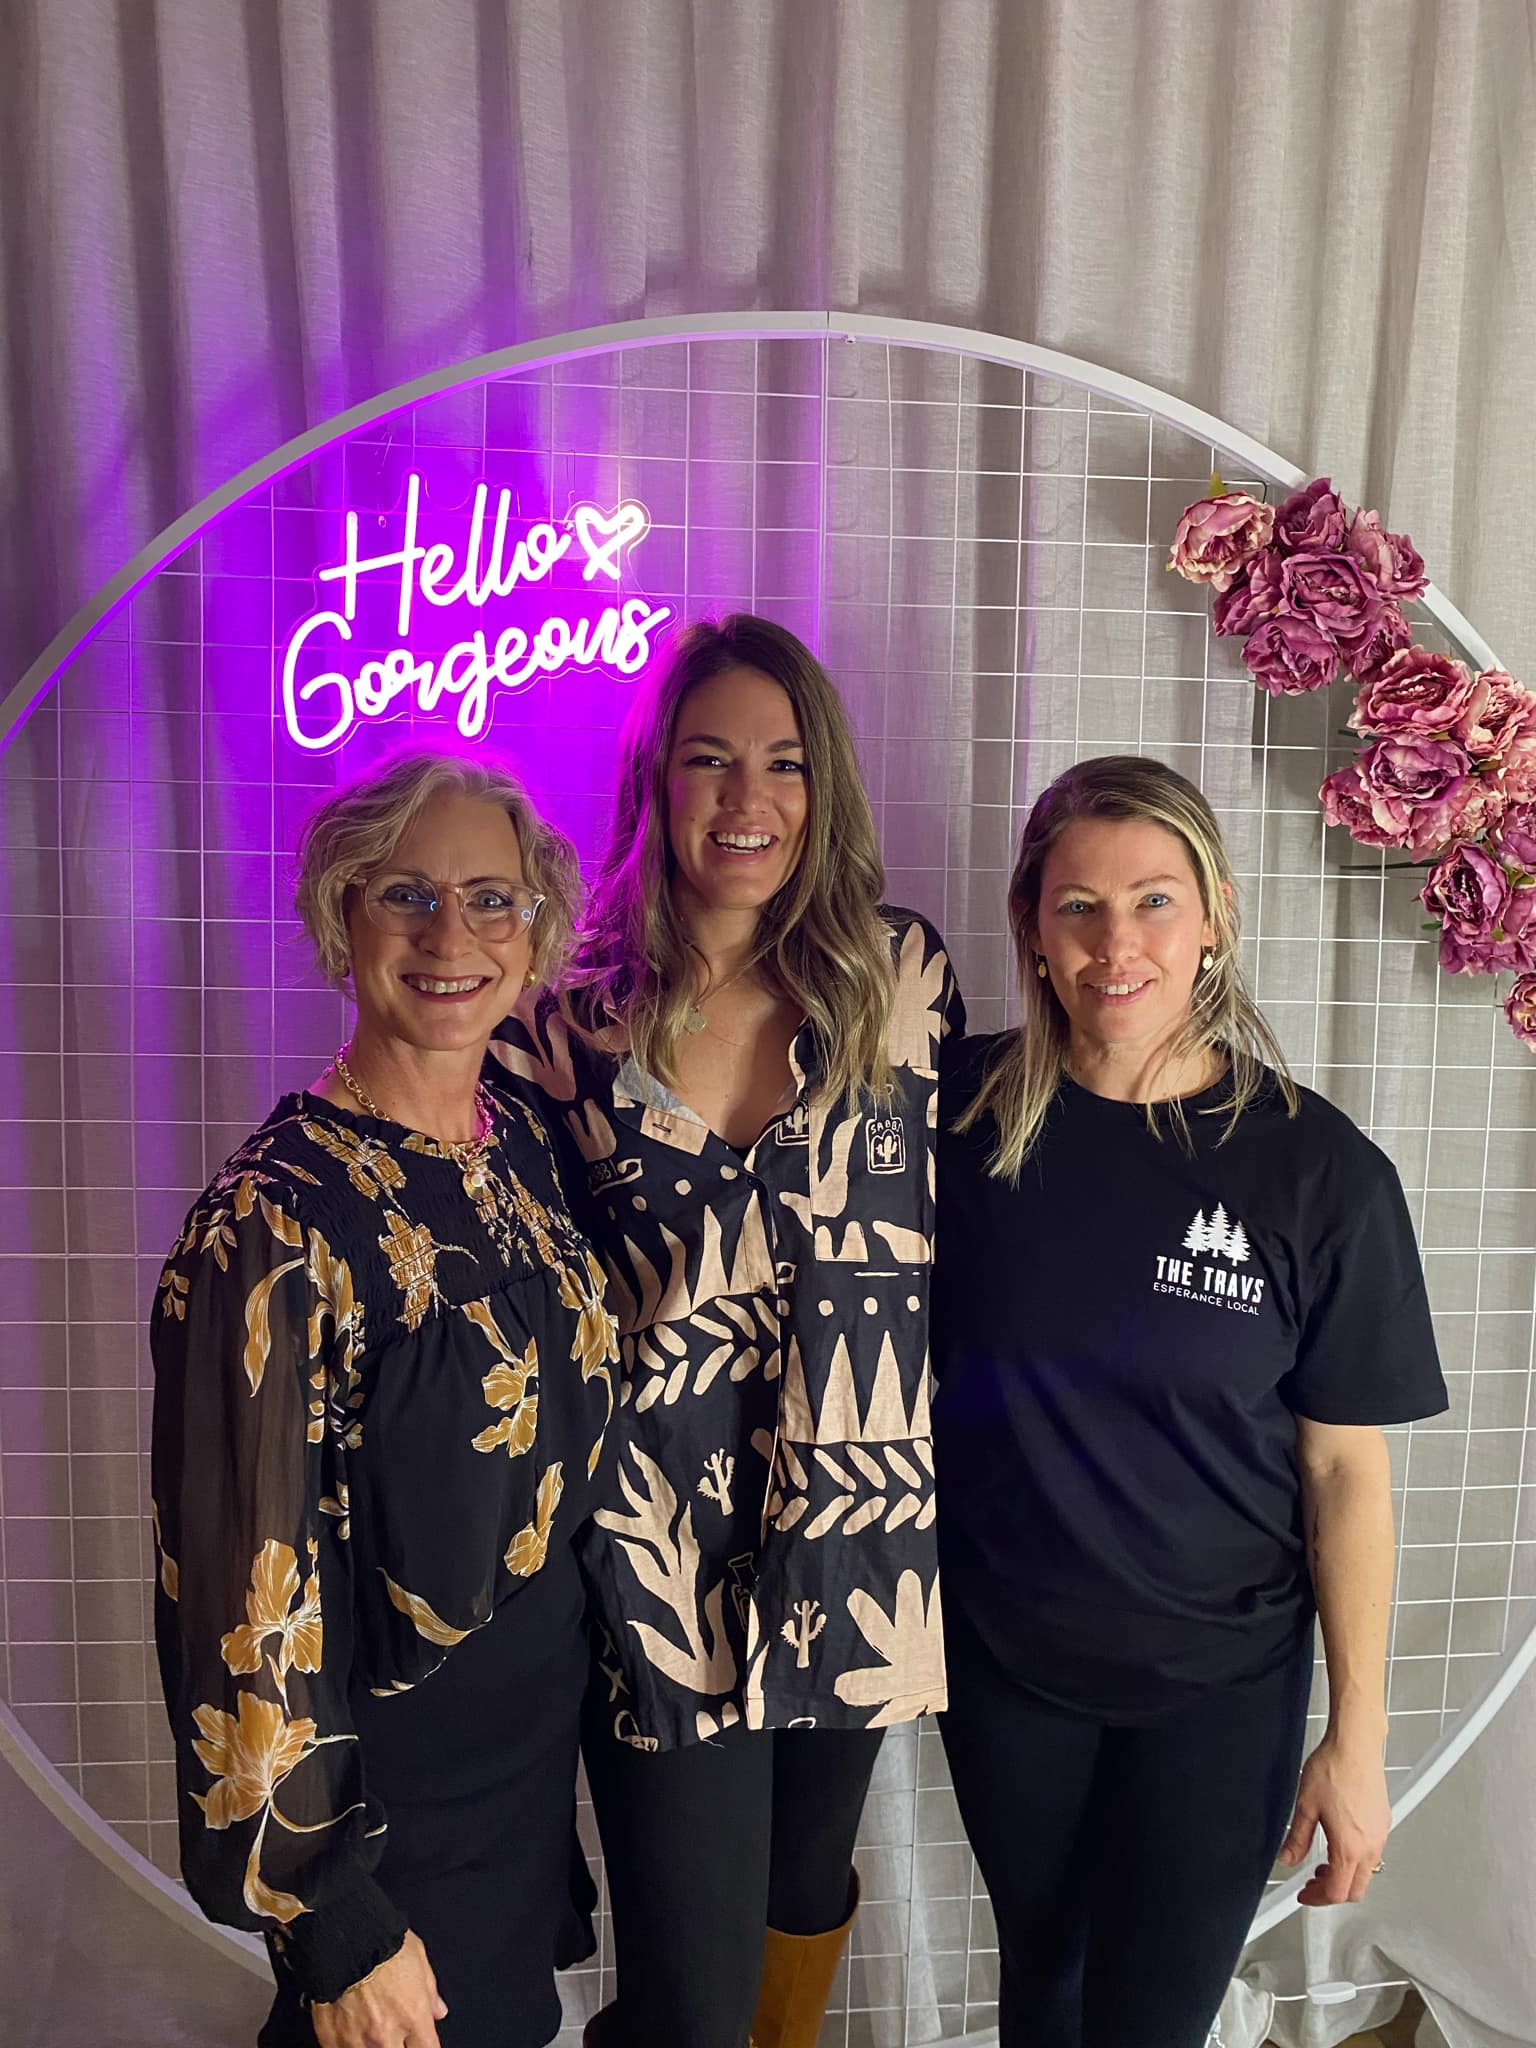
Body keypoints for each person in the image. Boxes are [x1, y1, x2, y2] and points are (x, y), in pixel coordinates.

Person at [492, 615, 964, 2048]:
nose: (746, 800)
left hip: (856, 1526)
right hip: (648, 1553)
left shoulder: (903, 980)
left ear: (825, 788)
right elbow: (525, 1304)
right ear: (653, 777)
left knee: (803, 1895)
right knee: (690, 1994)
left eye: (783, 762)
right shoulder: (562, 1021)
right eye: (708, 759)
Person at [932, 754, 1448, 2048]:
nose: (1119, 945)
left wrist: (1358, 1742)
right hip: (1006, 1672)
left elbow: (1346, 1476)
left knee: (1151, 2022)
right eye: (1080, 908)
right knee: (1043, 1995)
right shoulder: (953, 1129)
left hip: (1219, 1691)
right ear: (1032, 930)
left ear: (1214, 914)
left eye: (1155, 901)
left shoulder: (1318, 1174)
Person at [150, 750, 619, 2048]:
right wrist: (329, 1913)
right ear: (338, 917)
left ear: (537, 931)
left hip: (526, 1784)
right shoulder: (272, 1224)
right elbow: (243, 1605)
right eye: (406, 895)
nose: (451, 934)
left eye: (492, 899)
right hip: (387, 1815)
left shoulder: (515, 1143)